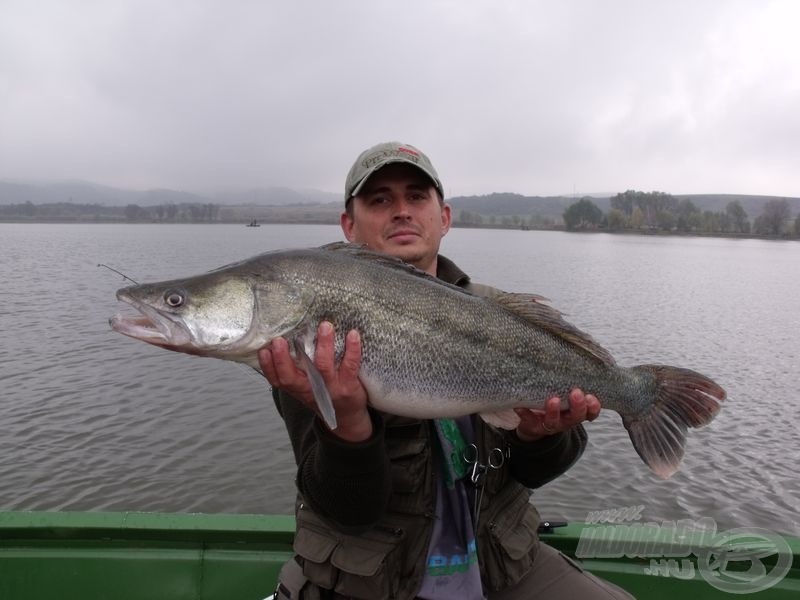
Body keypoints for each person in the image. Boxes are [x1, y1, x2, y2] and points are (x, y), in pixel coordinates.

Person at [259, 142, 634, 599]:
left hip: (503, 566)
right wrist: (349, 428)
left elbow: (537, 472)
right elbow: (348, 511)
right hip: (373, 583)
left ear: (445, 217)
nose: (401, 211)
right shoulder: (307, 340)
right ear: (348, 226)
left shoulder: (498, 313)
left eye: (417, 197)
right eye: (379, 200)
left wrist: (540, 435)